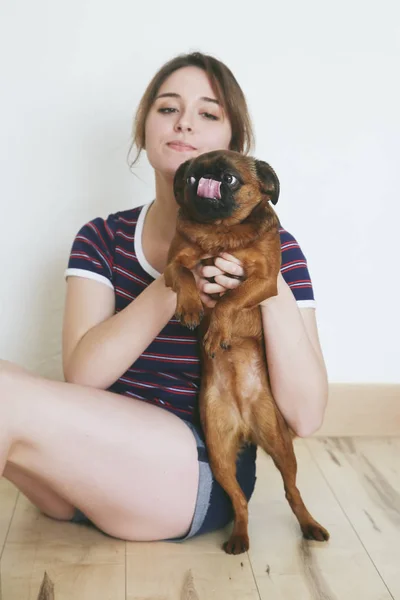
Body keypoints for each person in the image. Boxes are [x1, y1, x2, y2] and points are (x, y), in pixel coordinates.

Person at [0, 52, 328, 543]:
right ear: (144, 129)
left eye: (209, 113)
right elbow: (84, 377)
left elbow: (306, 415)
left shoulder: (276, 250)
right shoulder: (102, 238)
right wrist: (177, 282)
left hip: (191, 475)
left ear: (233, 147)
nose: (186, 123)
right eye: (168, 108)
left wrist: (267, 282)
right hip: (86, 474)